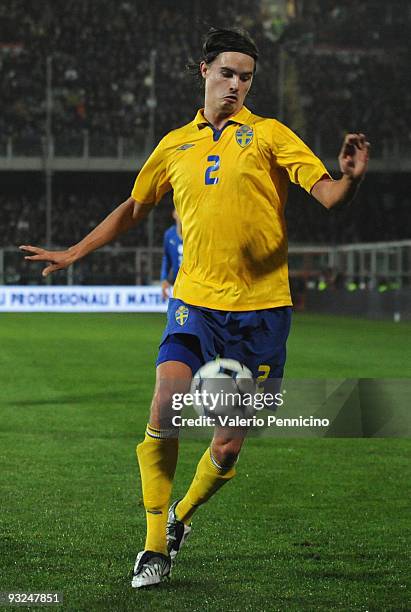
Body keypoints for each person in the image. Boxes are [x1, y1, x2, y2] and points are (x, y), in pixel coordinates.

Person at [20, 27, 370, 589]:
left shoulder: (270, 135)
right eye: (227, 73)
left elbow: (326, 194)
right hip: (194, 304)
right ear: (203, 70)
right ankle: (154, 544)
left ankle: (181, 518)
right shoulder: (174, 144)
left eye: (246, 77)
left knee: (228, 446)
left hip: (262, 312)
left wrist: (349, 180)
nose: (236, 85)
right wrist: (74, 252)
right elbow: (135, 206)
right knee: (166, 405)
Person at [160, 208, 183, 300]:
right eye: (178, 209)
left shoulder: (195, 234)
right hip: (176, 284)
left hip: (192, 284)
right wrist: (164, 279)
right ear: (174, 214)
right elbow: (166, 258)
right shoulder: (169, 234)